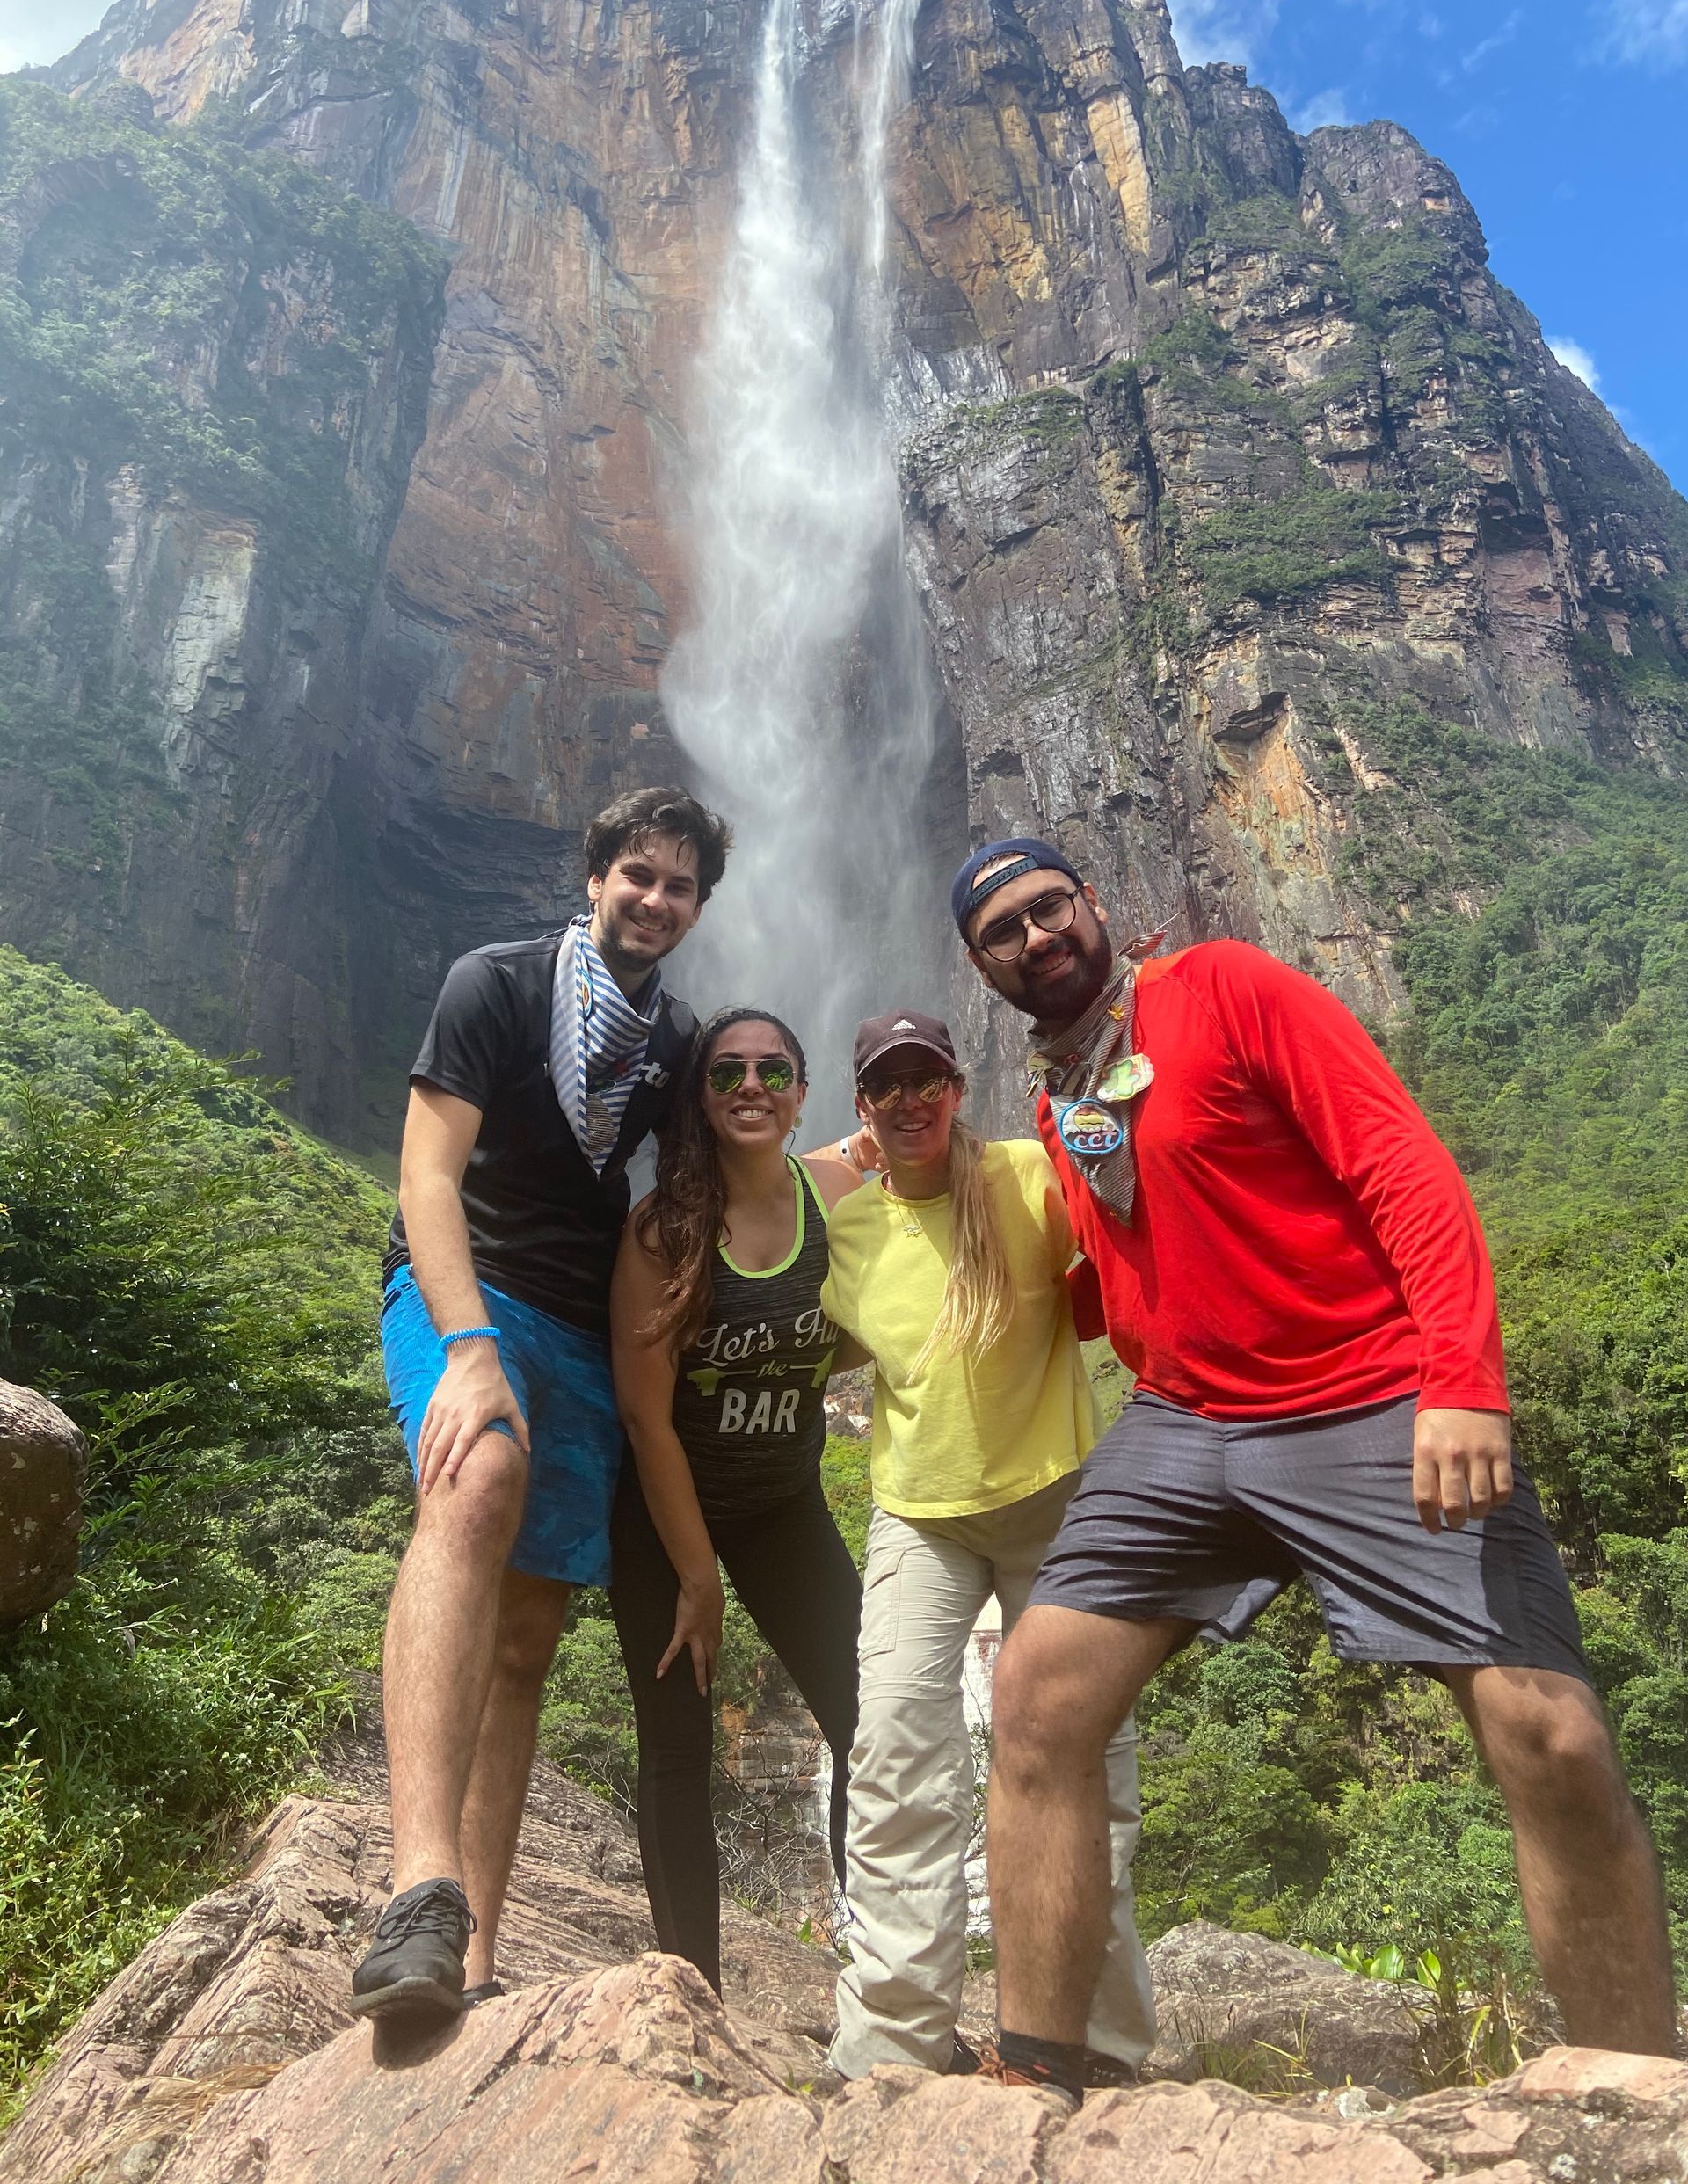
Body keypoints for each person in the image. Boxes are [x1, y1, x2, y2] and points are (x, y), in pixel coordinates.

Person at [946, 836, 1678, 2106]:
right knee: (1037, 1692)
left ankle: (1639, 2098)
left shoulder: (1226, 986)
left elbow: (1402, 1165)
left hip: (1372, 1392)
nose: (1036, 937)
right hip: (1187, 1423)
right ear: (983, 967)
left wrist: (1462, 1379)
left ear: (1095, 901)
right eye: (1002, 931)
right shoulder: (1062, 1094)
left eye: (1048, 906)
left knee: (1548, 1731)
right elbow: (1142, 1257)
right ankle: (1036, 2075)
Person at [350, 785, 731, 2023]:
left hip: (584, 1328)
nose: (656, 899)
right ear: (595, 875)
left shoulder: (675, 1042)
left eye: (680, 885)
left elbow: (733, 1164)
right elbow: (426, 1174)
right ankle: (418, 1890)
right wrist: (468, 1348)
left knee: (526, 1643)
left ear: (697, 907)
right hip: (465, 1290)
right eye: (639, 874)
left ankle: (469, 1957)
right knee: (480, 1477)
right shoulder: (498, 984)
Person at [820, 1009, 1154, 2084]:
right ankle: (892, 2046)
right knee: (892, 1754)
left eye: (929, 1079)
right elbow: (761, 1221)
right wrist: (840, 1156)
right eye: (888, 1085)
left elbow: (1125, 1236)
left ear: (959, 1088)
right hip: (920, 1515)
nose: (911, 1100)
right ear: (863, 1104)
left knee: (1086, 1765)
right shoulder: (850, 1228)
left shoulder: (1026, 1177)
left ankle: (1092, 2040)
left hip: (1056, 1500)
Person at [608, 1007, 865, 1994]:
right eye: (725, 1073)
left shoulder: (837, 1197)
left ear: (802, 1093)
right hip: (664, 1518)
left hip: (782, 1505)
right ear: (701, 1097)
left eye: (771, 1070)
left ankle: (883, 1979)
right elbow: (647, 1417)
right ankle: (692, 1997)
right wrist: (696, 1578)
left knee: (871, 1724)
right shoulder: (663, 1233)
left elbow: (869, 1322)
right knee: (678, 1747)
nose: (750, 1086)